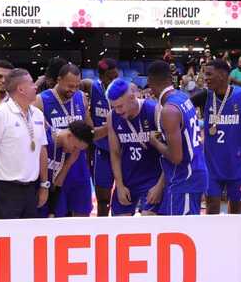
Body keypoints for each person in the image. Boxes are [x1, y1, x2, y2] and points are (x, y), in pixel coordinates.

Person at [0, 68, 49, 219]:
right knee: (7, 232)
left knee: (30, 231)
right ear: (21, 89)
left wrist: (44, 184)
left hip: (32, 187)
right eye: (31, 83)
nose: (35, 87)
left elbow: (42, 150)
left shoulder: (38, 114)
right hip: (5, 189)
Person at [191, 60, 241, 214]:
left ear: (222, 75)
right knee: (212, 207)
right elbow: (180, 107)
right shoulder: (205, 96)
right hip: (212, 164)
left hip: (238, 164)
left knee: (236, 211)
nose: (206, 78)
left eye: (209, 74)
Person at [146, 60, 208, 215]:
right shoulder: (183, 97)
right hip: (193, 172)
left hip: (186, 178)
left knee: (184, 228)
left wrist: (155, 142)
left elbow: (176, 157)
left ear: (150, 83)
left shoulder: (169, 110)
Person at [34, 63, 94, 217]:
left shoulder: (81, 97)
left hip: (78, 164)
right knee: (56, 216)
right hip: (53, 165)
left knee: (82, 213)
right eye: (70, 86)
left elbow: (89, 130)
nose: (73, 90)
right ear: (59, 80)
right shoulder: (41, 100)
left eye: (76, 86)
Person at [106, 79, 163, 216]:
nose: (118, 111)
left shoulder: (154, 110)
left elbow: (168, 153)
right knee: (119, 224)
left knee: (148, 221)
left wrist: (160, 186)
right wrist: (119, 185)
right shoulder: (112, 116)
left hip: (152, 180)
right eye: (114, 107)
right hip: (127, 180)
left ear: (132, 98)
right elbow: (115, 153)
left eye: (120, 106)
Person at [81, 58, 118, 217]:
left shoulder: (124, 90)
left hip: (122, 151)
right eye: (110, 77)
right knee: (103, 199)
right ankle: (101, 225)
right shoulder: (93, 86)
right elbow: (78, 85)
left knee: (124, 197)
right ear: (101, 77)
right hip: (102, 150)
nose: (114, 81)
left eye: (116, 77)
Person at [41, 120, 94, 217]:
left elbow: (58, 182)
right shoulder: (45, 138)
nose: (75, 151)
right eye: (75, 147)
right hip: (35, 188)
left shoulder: (71, 152)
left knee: (59, 211)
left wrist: (52, 211)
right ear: (69, 136)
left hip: (51, 189)